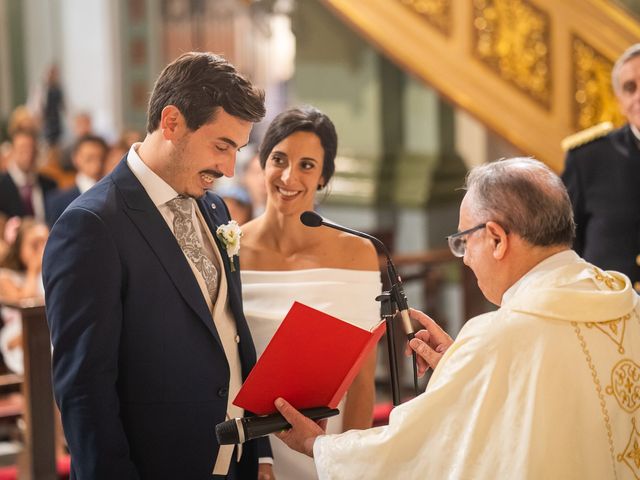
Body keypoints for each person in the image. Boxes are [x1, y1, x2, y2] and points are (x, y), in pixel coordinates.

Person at [273, 157, 640, 479]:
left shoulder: (496, 338)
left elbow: (418, 451)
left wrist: (317, 446)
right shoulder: (626, 303)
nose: (464, 257)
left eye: (464, 240)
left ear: (496, 238)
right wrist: (461, 366)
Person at [43, 52, 271, 479]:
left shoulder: (215, 209)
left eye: (237, 150)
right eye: (221, 146)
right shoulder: (91, 226)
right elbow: (84, 391)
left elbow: (231, 336)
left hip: (235, 462)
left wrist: (259, 452)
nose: (228, 168)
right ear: (171, 123)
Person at [240, 106, 380, 480]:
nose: (289, 176)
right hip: (253, 454)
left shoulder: (358, 254)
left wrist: (346, 464)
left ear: (323, 176)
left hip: (329, 452)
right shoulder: (229, 250)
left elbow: (363, 379)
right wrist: (257, 458)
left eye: (306, 165)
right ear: (262, 162)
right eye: (279, 159)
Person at [562, 43, 640, 290]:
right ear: (620, 101)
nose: (639, 95)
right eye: (630, 88)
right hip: (609, 318)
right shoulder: (589, 158)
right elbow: (564, 247)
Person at [0, 218, 49, 374]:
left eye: (45, 243)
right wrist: (33, 270)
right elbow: (26, 304)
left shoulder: (49, 274)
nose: (41, 250)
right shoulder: (5, 277)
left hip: (48, 329)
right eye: (35, 245)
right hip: (17, 334)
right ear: (19, 247)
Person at [46, 134, 108, 225]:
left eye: (101, 159)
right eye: (89, 159)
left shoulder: (114, 195)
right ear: (76, 159)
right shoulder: (58, 201)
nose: (97, 164)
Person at [0, 128, 57, 223]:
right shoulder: (2, 185)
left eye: (31, 148)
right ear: (13, 150)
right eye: (22, 148)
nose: (28, 153)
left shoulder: (50, 185)